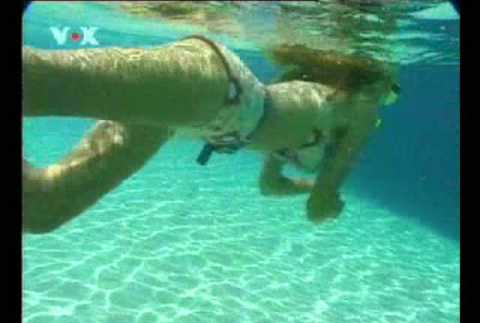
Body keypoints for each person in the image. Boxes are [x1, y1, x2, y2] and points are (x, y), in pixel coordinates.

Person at [23, 35, 399, 233]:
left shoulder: (317, 109)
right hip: (218, 86)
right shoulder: (361, 108)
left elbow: (270, 186)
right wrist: (326, 196)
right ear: (376, 81)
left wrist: (308, 187)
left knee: (43, 207)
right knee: (32, 80)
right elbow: (320, 206)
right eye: (392, 92)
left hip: (199, 119)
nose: (388, 100)